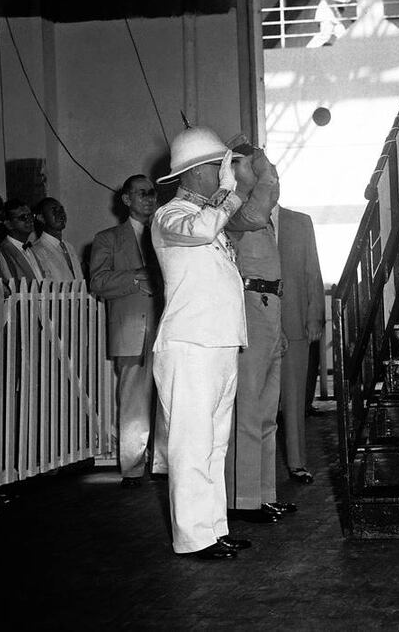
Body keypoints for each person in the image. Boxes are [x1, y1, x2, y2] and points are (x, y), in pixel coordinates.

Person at [150, 126, 251, 560]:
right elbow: (203, 229)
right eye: (218, 166)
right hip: (189, 344)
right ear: (193, 173)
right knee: (191, 444)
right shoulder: (169, 216)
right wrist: (229, 192)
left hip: (220, 342)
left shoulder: (208, 214)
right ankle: (192, 538)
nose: (224, 173)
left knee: (214, 443)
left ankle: (213, 529)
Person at [221, 140, 297, 523]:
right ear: (234, 167)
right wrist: (267, 171)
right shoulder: (231, 208)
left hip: (269, 308)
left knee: (267, 411)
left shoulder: (259, 212)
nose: (265, 168)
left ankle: (263, 493)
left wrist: (280, 326)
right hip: (249, 308)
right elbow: (258, 205)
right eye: (253, 162)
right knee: (248, 410)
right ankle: (241, 497)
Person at [89, 175, 168, 489]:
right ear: (126, 199)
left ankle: (163, 465)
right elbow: (98, 283)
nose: (149, 198)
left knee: (167, 398)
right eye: (142, 193)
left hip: (166, 327)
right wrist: (136, 275)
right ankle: (133, 469)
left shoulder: (166, 232)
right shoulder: (107, 238)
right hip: (131, 330)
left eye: (153, 193)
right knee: (134, 402)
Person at [278, 205, 325, 484]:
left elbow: (312, 271)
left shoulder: (299, 222)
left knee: (295, 401)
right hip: (254, 327)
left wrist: (314, 316)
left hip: (295, 322)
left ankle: (297, 463)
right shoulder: (236, 219)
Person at [31, 197, 82, 281]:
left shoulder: (69, 247)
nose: (61, 215)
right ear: (41, 218)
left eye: (62, 210)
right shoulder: (37, 251)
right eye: (54, 211)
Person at [0, 199, 43, 282]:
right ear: (9, 224)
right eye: (23, 217)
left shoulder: (30, 248)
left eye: (30, 216)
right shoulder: (5, 251)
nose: (29, 220)